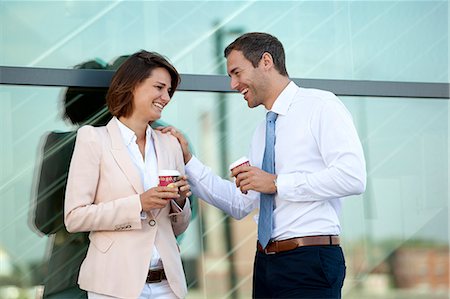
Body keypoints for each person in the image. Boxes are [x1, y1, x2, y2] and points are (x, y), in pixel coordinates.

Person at [164, 32, 366, 298]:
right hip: (266, 263)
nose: (234, 84)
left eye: (237, 72)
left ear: (266, 61)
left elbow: (352, 177)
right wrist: (188, 161)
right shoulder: (262, 131)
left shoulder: (321, 105)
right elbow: (240, 204)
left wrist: (276, 183)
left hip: (310, 261)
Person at [64, 50, 192, 299]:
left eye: (169, 92)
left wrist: (179, 201)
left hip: (168, 285)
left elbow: (178, 226)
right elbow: (74, 217)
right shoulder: (93, 139)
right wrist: (138, 204)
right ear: (133, 85)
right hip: (113, 286)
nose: (166, 97)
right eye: (159, 87)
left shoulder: (170, 143)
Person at [32, 59, 111, 299]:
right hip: (115, 278)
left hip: (66, 275)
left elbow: (43, 221)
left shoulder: (58, 145)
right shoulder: (130, 147)